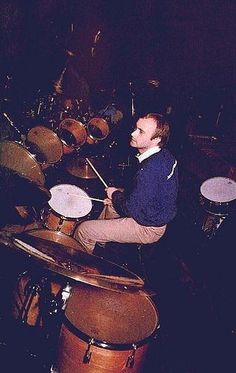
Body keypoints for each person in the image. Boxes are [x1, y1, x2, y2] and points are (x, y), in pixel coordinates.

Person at [74, 113, 178, 254]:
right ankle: (102, 243)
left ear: (156, 139)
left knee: (83, 230)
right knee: (111, 205)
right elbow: (149, 190)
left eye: (140, 132)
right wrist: (117, 196)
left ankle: (82, 267)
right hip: (154, 210)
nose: (133, 133)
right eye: (136, 128)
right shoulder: (164, 155)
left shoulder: (149, 171)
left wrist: (116, 194)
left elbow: (130, 209)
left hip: (148, 227)